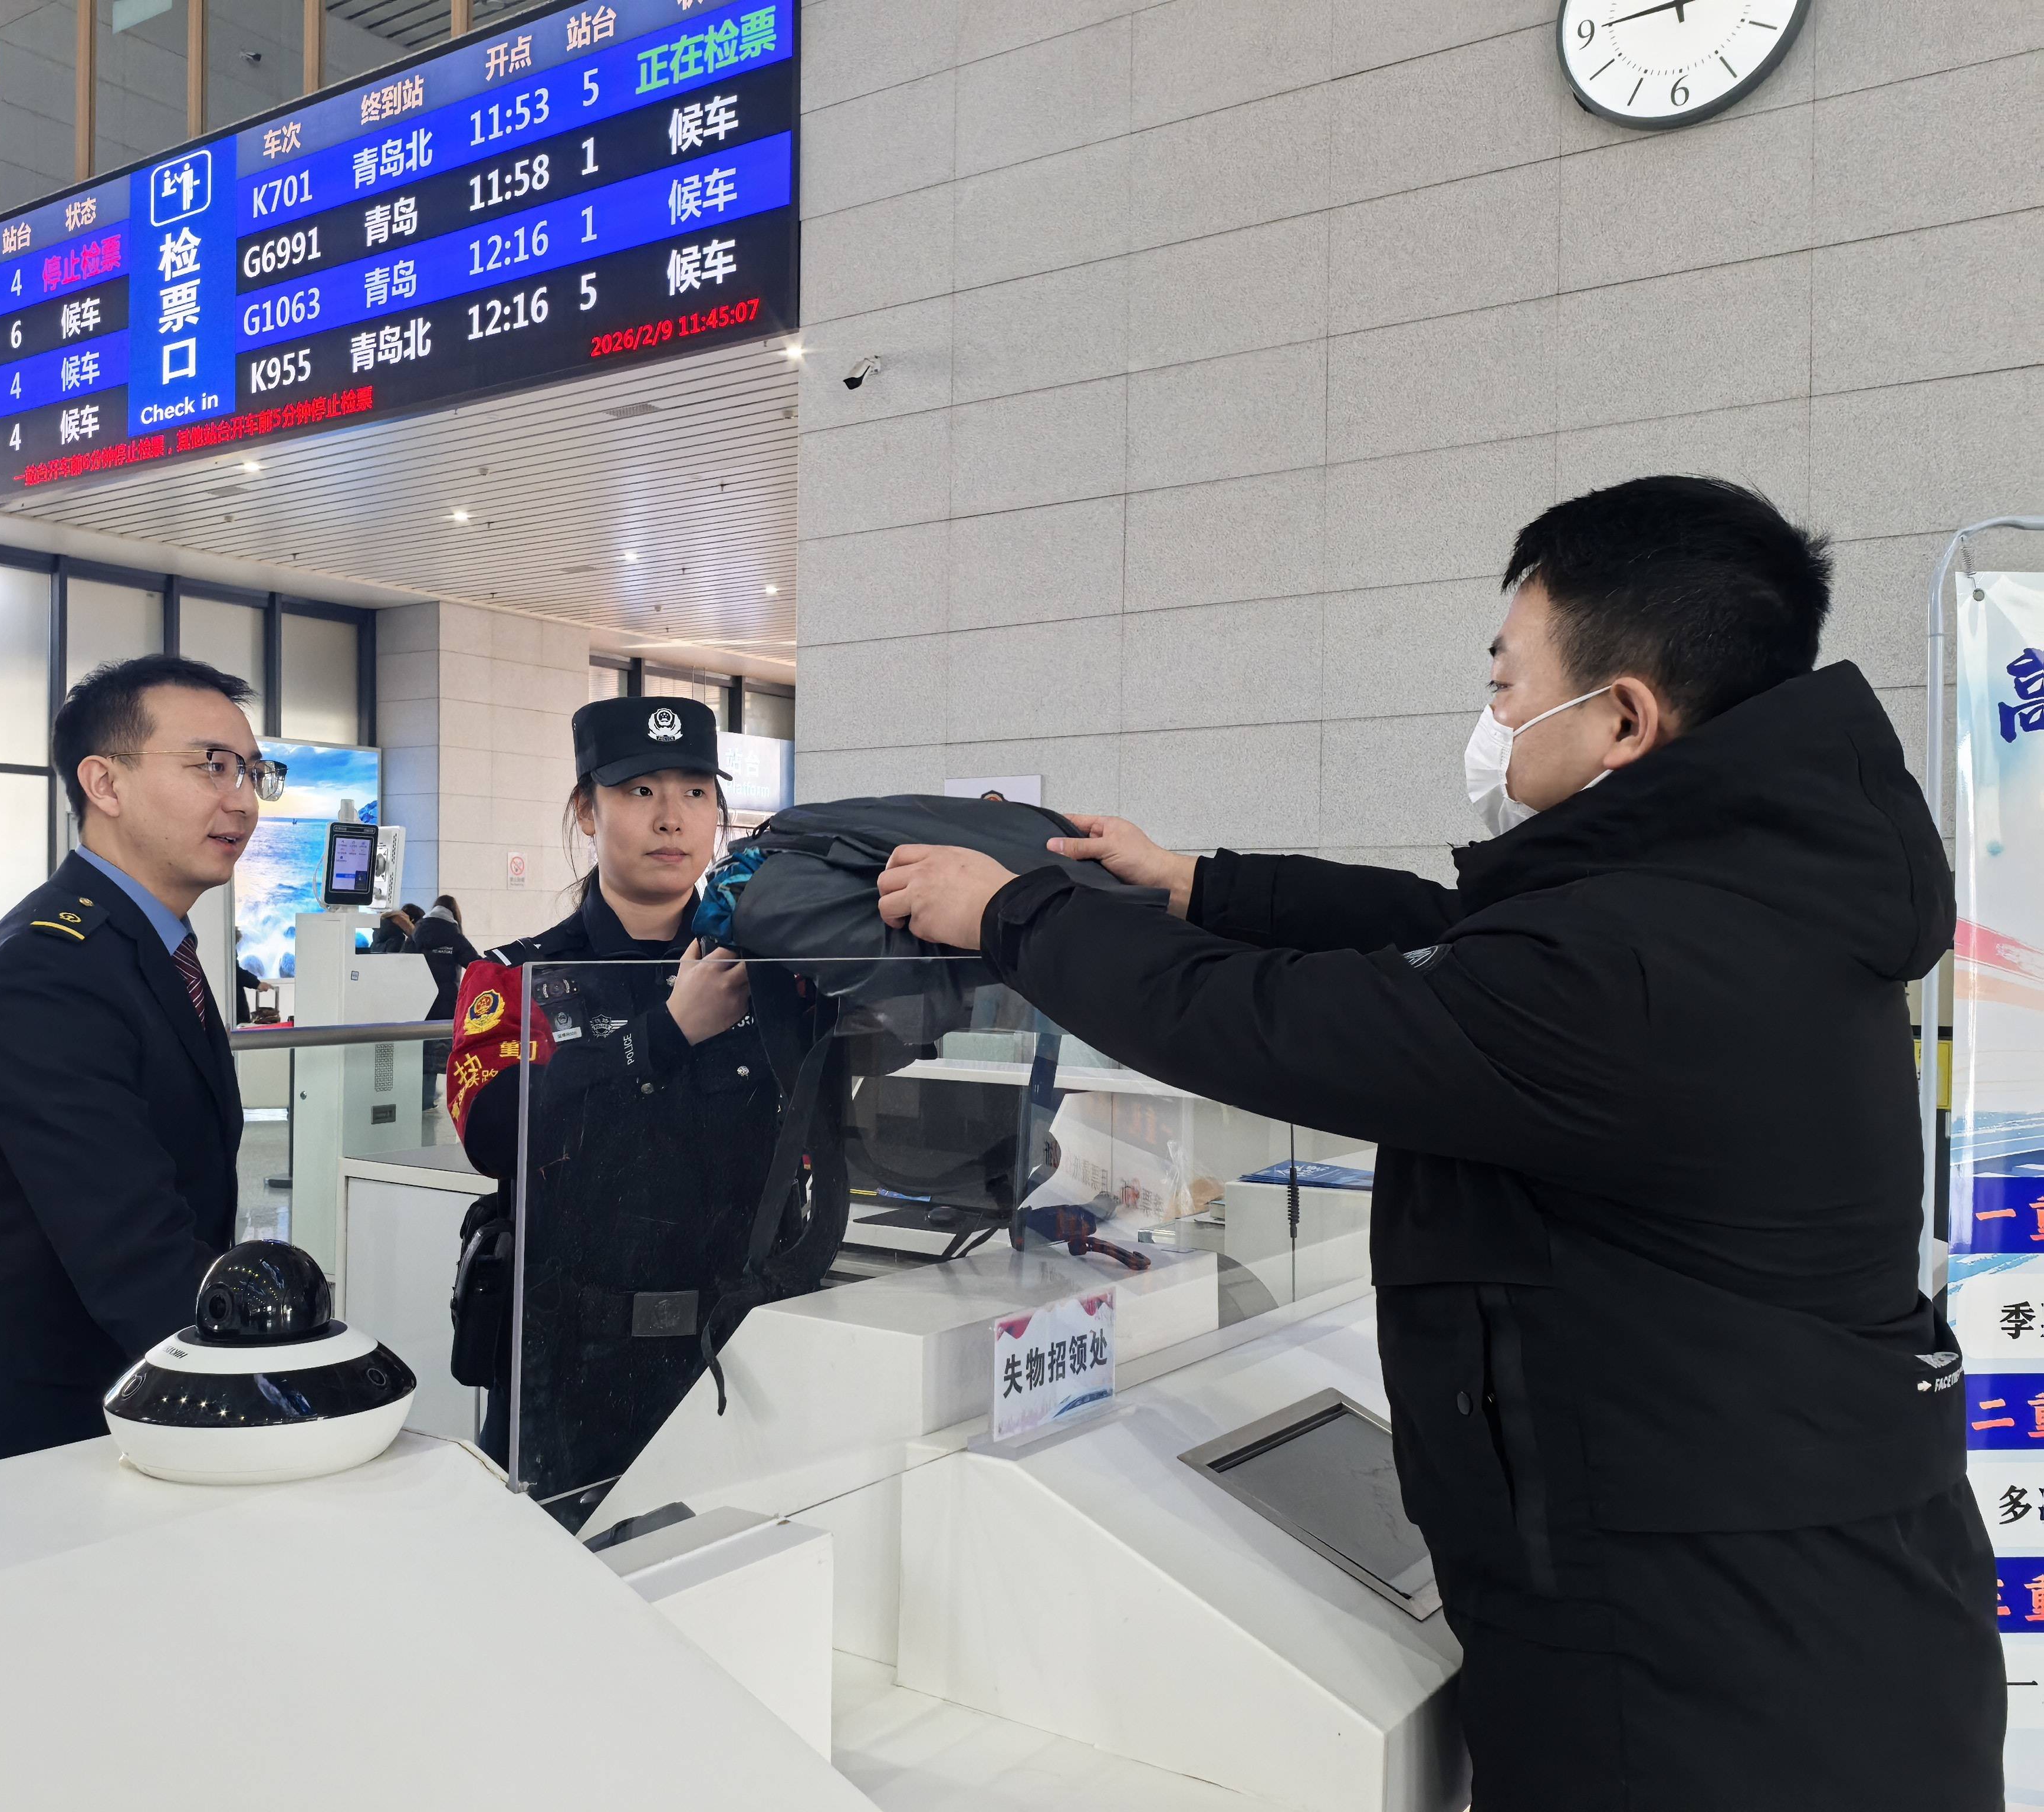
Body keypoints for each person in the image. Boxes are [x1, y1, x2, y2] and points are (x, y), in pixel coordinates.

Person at [875, 476, 2001, 1812]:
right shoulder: (1739, 900)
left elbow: (1268, 1025)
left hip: (1703, 1668)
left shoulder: (1624, 969)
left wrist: (1017, 915)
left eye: (1509, 681)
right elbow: (1450, 933)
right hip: (1817, 1592)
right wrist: (1204, 884)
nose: (1497, 717)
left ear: (1624, 716)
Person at [444, 697, 832, 1524]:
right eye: (639, 791)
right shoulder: (516, 976)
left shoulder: (776, 976)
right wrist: (663, 1034)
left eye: (696, 792)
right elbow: (495, 1133)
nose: (671, 818)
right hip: (567, 1370)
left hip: (746, 1350)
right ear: (587, 810)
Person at [0, 655, 281, 1479]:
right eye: (211, 766)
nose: (243, 801)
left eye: (253, 772)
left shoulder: (145, 947)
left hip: (135, 1413)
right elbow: (130, 1247)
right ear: (104, 783)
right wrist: (284, 1397)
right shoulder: (50, 969)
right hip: (37, 1445)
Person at [409, 892, 478, 1023]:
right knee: (443, 1033)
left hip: (418, 1000)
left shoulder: (416, 933)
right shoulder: (454, 936)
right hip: (446, 1001)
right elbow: (475, 964)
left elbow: (403, 961)